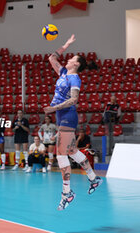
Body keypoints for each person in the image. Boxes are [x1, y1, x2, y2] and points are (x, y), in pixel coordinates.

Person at [44, 34, 102, 210]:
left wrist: (54, 108)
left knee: (61, 154)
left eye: (71, 58)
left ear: (76, 64)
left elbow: (74, 100)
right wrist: (66, 45)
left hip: (68, 116)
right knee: (71, 151)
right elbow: (52, 57)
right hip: (61, 116)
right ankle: (93, 178)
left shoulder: (74, 78)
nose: (68, 59)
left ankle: (67, 193)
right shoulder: (62, 73)